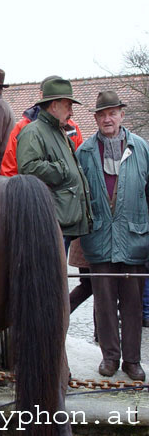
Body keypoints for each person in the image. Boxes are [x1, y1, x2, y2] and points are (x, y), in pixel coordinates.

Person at [76, 91, 149, 381]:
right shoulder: (84, 152)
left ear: (121, 115)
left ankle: (132, 360)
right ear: (95, 118)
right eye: (102, 114)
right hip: (99, 240)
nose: (108, 119)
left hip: (134, 239)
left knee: (132, 303)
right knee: (104, 303)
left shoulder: (142, 149)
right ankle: (110, 357)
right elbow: (78, 198)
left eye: (113, 113)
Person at [17, 78, 92, 250]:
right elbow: (28, 168)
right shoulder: (33, 132)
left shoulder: (58, 131)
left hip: (61, 221)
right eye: (68, 106)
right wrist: (63, 168)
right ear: (54, 106)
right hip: (50, 222)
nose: (71, 112)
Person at [0, 75, 84, 177]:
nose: (71, 113)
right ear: (41, 95)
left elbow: (80, 165)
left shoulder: (72, 128)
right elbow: (10, 170)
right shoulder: (23, 128)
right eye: (67, 105)